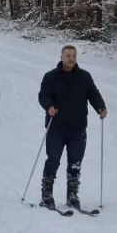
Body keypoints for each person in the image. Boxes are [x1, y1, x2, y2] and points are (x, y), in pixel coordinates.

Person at [37, 45, 107, 210]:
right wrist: (49, 107)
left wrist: (100, 107)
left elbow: (93, 94)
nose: (71, 58)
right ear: (61, 56)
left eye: (74, 55)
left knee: (75, 162)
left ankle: (72, 195)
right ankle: (47, 195)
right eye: (68, 55)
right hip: (56, 127)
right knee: (53, 160)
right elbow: (43, 96)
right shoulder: (51, 77)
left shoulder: (84, 77)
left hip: (78, 127)